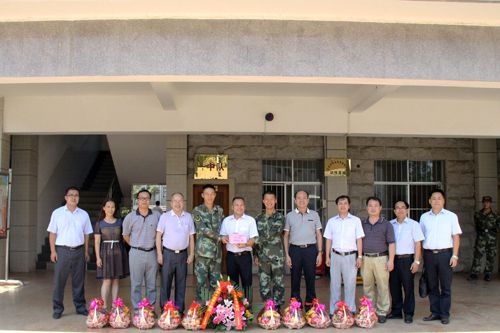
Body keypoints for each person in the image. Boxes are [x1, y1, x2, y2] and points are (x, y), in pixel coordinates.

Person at [47, 186, 93, 319]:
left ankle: (80, 307)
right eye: (71, 195)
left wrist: (86, 251)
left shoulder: (84, 214)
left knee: (79, 281)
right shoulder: (57, 213)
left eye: (76, 195)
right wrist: (52, 251)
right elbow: (52, 233)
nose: (74, 197)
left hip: (79, 251)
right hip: (62, 251)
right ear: (66, 197)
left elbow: (86, 234)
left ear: (78, 198)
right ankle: (57, 309)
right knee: (59, 282)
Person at [420, 189, 462, 325]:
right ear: (429, 201)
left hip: (445, 255)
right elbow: (420, 238)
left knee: (445, 286)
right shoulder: (424, 217)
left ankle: (444, 314)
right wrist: (419, 258)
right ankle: (435, 312)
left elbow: (456, 236)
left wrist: (455, 256)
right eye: (434, 198)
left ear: (443, 201)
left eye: (439, 198)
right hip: (429, 255)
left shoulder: (451, 216)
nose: (436, 200)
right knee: (432, 286)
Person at [324, 195, 364, 315]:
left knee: (350, 285)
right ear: (337, 206)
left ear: (349, 205)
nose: (343, 205)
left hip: (350, 256)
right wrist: (327, 256)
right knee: (334, 285)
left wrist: (360, 256)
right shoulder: (331, 221)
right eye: (340, 203)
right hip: (335, 255)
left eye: (345, 203)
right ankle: (334, 311)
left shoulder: (356, 221)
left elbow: (359, 239)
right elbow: (329, 240)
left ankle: (350, 310)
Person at [156, 192, 195, 314]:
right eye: (175, 201)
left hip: (183, 255)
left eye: (180, 201)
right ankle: (164, 311)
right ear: (171, 203)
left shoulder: (188, 217)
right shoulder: (165, 217)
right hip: (168, 254)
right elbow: (158, 235)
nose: (178, 203)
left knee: (181, 284)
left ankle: (179, 311)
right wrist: (159, 253)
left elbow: (191, 237)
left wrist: (191, 253)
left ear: (183, 202)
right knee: (165, 284)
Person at [284, 190, 323, 310]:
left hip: (310, 250)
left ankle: (310, 306)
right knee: (295, 279)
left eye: (304, 198)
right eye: (299, 198)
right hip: (295, 250)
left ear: (308, 200)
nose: (301, 200)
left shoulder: (314, 215)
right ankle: (295, 306)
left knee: (310, 278)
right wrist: (287, 255)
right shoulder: (289, 216)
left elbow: (319, 234)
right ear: (295, 200)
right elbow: (285, 236)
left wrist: (320, 252)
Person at [122, 189, 161, 310]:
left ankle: (150, 310)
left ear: (150, 200)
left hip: (152, 253)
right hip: (135, 253)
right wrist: (134, 245)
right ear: (137, 200)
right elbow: (125, 235)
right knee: (136, 284)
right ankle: (137, 310)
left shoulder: (157, 216)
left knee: (151, 285)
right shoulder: (130, 217)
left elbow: (161, 234)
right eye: (141, 198)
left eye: (146, 198)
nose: (144, 200)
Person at [387, 200, 424, 324]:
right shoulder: (390, 224)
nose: (400, 210)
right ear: (394, 211)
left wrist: (416, 261)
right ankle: (396, 311)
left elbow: (418, 243)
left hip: (407, 260)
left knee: (408, 288)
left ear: (407, 210)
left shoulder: (414, 224)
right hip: (393, 260)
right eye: (397, 208)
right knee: (394, 287)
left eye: (403, 207)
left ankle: (408, 313)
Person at [361, 196, 395, 324]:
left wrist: (391, 260)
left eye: (376, 205)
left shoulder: (386, 224)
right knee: (367, 286)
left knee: (382, 286)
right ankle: (370, 309)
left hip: (381, 258)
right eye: (370, 205)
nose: (373, 208)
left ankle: (382, 311)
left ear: (380, 208)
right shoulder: (362, 223)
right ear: (366, 208)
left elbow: (391, 243)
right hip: (365, 259)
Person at [221, 197, 258, 305]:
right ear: (232, 207)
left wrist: (246, 244)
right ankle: (234, 309)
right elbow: (222, 236)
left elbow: (253, 239)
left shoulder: (250, 220)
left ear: (244, 207)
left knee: (247, 283)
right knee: (232, 284)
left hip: (245, 256)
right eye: (236, 205)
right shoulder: (226, 221)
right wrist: (224, 238)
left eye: (241, 205)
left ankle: (247, 309)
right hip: (231, 256)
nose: (239, 207)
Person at [94, 198, 129, 309]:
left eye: (112, 207)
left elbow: (124, 238)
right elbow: (97, 242)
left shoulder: (120, 222)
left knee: (116, 280)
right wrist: (98, 257)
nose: (110, 209)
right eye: (108, 207)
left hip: (118, 253)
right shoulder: (99, 224)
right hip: (105, 254)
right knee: (107, 280)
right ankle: (104, 305)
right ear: (104, 208)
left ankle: (115, 305)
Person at [192, 184, 225, 303]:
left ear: (215, 195)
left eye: (212, 194)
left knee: (216, 284)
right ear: (202, 195)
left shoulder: (220, 210)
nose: (209, 196)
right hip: (202, 254)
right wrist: (220, 237)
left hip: (216, 254)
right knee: (200, 284)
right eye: (207, 194)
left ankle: (215, 313)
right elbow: (202, 229)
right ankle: (200, 310)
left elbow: (224, 227)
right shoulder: (197, 210)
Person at [254, 191, 286, 311]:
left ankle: (277, 309)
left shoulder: (280, 217)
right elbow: (254, 235)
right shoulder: (258, 218)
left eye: (271, 199)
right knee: (264, 284)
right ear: (263, 201)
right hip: (262, 257)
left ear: (276, 201)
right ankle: (268, 308)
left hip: (277, 256)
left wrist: (253, 240)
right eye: (266, 199)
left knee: (279, 283)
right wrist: (255, 254)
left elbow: (273, 233)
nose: (269, 202)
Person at [468, 195, 500, 282]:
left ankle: (488, 274)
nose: (486, 204)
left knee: (491, 256)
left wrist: (492, 233)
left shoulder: (496, 215)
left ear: (490, 203)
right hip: (481, 238)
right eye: (485, 202)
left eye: (488, 202)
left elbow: (498, 227)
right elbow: (477, 226)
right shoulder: (478, 214)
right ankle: (475, 273)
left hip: (491, 239)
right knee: (477, 256)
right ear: (483, 203)